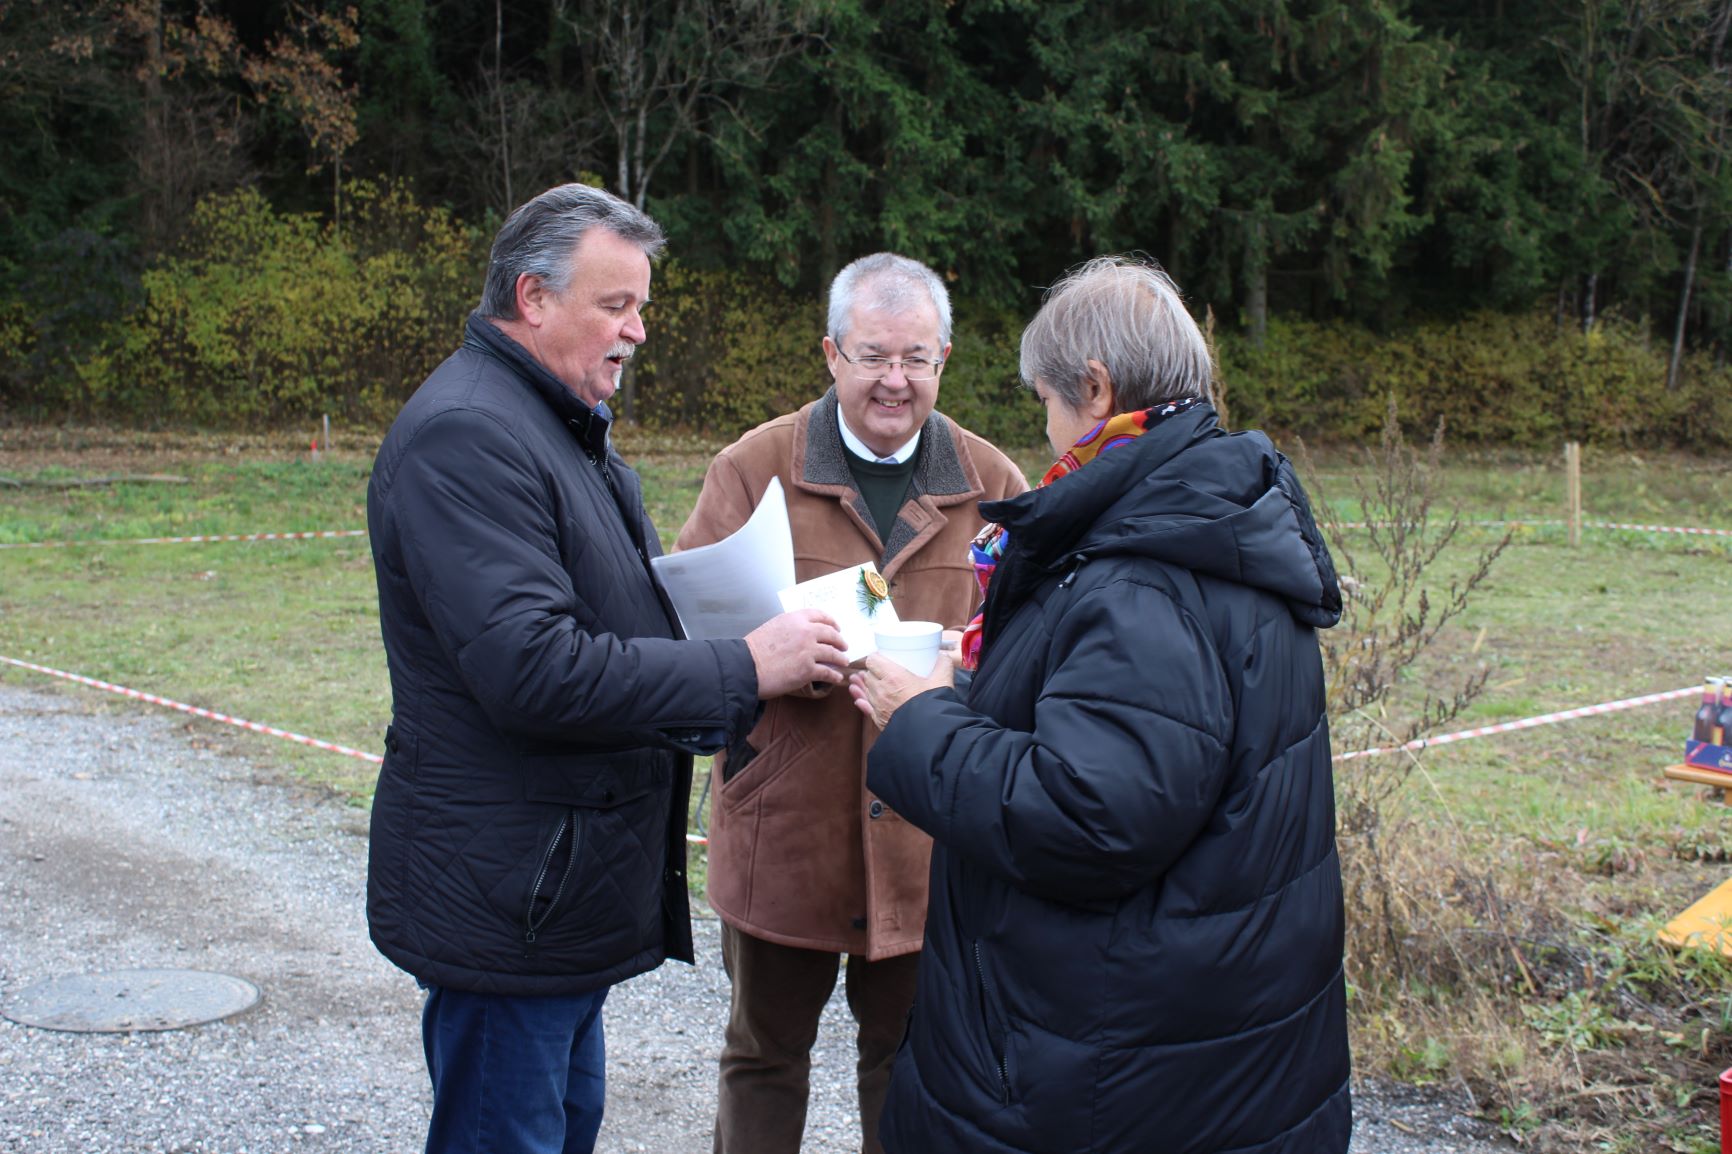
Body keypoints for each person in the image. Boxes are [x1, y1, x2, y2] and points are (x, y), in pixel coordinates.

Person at [365, 182, 850, 1154]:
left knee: (561, 1125)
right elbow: (533, 669)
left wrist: (733, 628)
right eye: (616, 304)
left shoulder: (557, 423)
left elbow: (603, 616)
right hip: (508, 893)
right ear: (533, 297)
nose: (637, 330)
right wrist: (742, 665)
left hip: (552, 887)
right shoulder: (470, 434)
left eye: (642, 306)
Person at [850, 255, 1352, 1153]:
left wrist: (921, 718)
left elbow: (1087, 817)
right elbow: (1144, 747)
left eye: (1046, 400)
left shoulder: (1141, 576)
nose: (1045, 430)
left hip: (1113, 1072)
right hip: (1203, 1043)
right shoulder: (1205, 519)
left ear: (1096, 387)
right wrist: (987, 692)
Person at [675, 252, 1028, 1154]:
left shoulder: (996, 488)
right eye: (873, 356)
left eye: (916, 358)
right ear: (831, 353)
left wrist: (959, 681)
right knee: (763, 1056)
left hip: (930, 838)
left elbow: (1035, 663)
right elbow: (687, 645)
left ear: (945, 360)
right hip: (782, 826)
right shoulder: (754, 468)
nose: (894, 380)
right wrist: (763, 663)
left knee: (911, 1063)